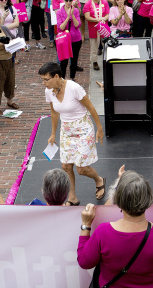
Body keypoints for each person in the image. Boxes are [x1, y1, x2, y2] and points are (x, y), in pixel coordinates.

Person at [40, 61, 105, 205]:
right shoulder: (49, 91)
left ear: (56, 76)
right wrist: (53, 133)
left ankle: (99, 180)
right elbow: (54, 111)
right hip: (66, 130)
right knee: (66, 166)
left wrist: (99, 129)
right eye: (42, 80)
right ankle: (72, 198)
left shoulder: (74, 88)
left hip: (83, 129)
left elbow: (91, 108)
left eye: (46, 79)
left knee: (81, 169)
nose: (44, 83)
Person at [0, 8, 19, 115]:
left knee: (10, 81)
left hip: (9, 58)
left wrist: (13, 42)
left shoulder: (3, 28)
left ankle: (10, 100)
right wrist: (2, 44)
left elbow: (12, 37)